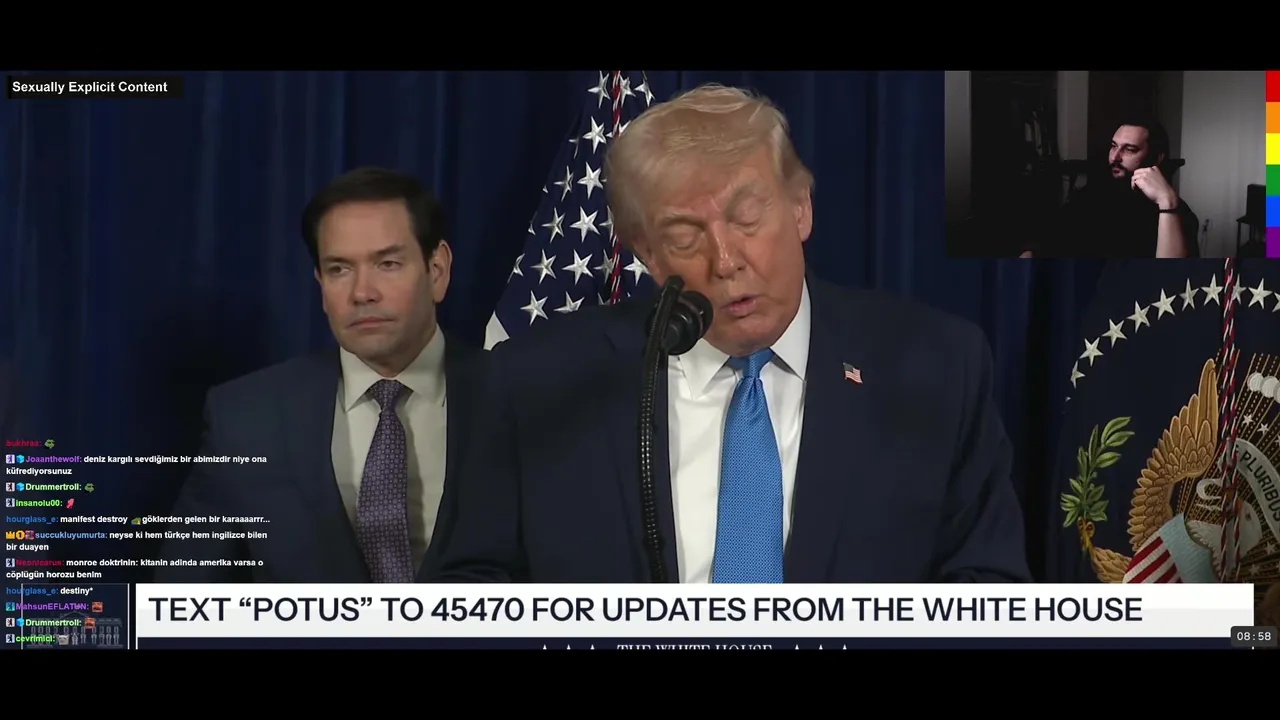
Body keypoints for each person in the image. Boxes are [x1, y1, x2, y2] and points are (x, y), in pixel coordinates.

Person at [433, 85, 1031, 584]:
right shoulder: (535, 385)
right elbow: (469, 592)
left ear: (801, 208)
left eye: (747, 218)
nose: (725, 261)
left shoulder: (935, 368)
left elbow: (987, 589)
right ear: (648, 254)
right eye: (684, 236)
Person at [156, 167, 484, 583]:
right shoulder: (245, 418)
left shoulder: (515, 396)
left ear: (437, 271)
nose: (362, 293)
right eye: (339, 269)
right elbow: (179, 596)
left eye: (387, 263)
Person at [1027, 120, 1198, 258]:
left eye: (1129, 150)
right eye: (1114, 146)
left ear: (1157, 158)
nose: (1115, 157)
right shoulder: (1093, 195)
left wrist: (1167, 201)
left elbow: (1173, 276)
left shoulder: (1176, 211)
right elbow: (1051, 237)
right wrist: (1032, 252)